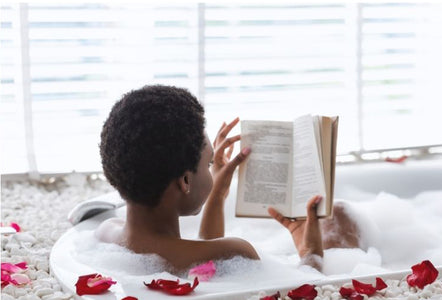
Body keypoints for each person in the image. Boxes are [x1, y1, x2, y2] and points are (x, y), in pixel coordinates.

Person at [95, 84, 359, 274]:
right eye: (209, 163)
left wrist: (218, 195)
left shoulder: (106, 233)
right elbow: (302, 288)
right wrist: (310, 254)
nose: (212, 170)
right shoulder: (236, 252)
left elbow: (199, 255)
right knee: (340, 215)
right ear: (185, 181)